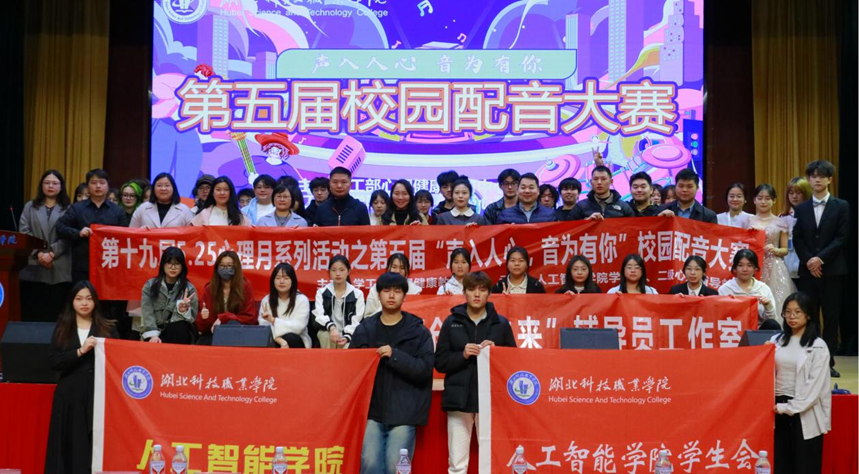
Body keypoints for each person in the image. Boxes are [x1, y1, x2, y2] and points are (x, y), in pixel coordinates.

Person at [350, 272, 434, 474]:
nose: (391, 295)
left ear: (404, 296)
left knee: (395, 468)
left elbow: (424, 369)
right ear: (378, 294)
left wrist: (394, 355)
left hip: (405, 413)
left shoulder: (418, 331)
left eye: (397, 291)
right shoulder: (364, 329)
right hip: (371, 412)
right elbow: (352, 369)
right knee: (369, 465)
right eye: (386, 290)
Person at [435, 271, 516, 474]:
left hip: (490, 400)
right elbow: (440, 362)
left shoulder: (501, 324)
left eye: (482, 289)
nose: (477, 294)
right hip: (458, 400)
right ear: (464, 292)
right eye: (471, 289)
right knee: (457, 464)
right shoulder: (451, 322)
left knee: (491, 462)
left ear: (489, 293)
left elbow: (514, 364)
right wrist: (462, 355)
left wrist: (496, 353)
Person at [44, 281, 118, 473]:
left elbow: (118, 361)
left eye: (88, 298)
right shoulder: (63, 328)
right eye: (79, 299)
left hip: (98, 396)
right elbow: (53, 361)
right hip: (69, 396)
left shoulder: (107, 328)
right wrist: (79, 351)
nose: (84, 303)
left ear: (95, 302)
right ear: (72, 302)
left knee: (92, 447)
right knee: (68, 446)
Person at [792, 160, 850, 377]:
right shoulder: (801, 208)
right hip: (808, 271)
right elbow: (798, 239)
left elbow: (842, 238)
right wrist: (810, 260)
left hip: (832, 270)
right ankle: (810, 359)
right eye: (813, 176)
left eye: (821, 176)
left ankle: (829, 361)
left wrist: (820, 259)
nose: (817, 179)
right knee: (810, 316)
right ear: (809, 179)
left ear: (829, 180)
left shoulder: (842, 205)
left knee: (831, 317)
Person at [771, 292, 831, 474]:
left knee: (804, 466)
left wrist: (787, 408)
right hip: (776, 409)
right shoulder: (776, 341)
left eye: (798, 312)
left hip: (804, 411)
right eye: (787, 312)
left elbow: (813, 389)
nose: (792, 317)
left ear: (808, 314)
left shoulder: (818, 346)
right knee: (780, 464)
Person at [56, 169, 129, 283]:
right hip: (82, 266)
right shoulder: (77, 208)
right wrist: (78, 233)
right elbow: (60, 227)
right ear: (88, 186)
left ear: (108, 186)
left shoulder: (118, 211)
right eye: (93, 183)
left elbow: (126, 237)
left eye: (102, 182)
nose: (98, 186)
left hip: (110, 266)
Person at [19, 170, 72, 322]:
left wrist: (52, 254)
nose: (50, 186)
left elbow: (69, 235)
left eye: (55, 183)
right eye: (47, 183)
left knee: (55, 313)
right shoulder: (30, 206)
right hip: (34, 264)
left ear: (61, 187)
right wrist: (39, 254)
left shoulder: (68, 208)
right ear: (41, 185)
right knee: (33, 313)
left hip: (59, 264)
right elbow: (24, 232)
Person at [749, 184, 796, 315]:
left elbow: (785, 250)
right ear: (754, 200)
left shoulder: (781, 222)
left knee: (777, 300)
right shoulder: (748, 221)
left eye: (767, 198)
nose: (763, 202)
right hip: (753, 266)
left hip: (775, 266)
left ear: (774, 200)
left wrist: (776, 250)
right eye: (760, 198)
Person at [196, 250, 257, 345]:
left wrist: (224, 317)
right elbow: (202, 327)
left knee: (232, 323)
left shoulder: (245, 286)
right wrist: (203, 317)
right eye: (222, 266)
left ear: (236, 267)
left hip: (239, 333)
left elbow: (250, 318)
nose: (225, 269)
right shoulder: (210, 289)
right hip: (214, 333)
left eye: (229, 266)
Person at [140, 247, 198, 344]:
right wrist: (153, 335)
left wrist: (181, 311)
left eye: (177, 264)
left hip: (178, 334)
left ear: (182, 266)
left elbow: (192, 318)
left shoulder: (189, 289)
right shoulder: (149, 286)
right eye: (169, 263)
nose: (173, 267)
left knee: (179, 327)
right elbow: (147, 313)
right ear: (163, 264)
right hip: (154, 331)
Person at [718, 249, 780, 329]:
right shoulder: (725, 290)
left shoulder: (764, 288)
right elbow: (720, 317)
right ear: (735, 268)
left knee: (772, 324)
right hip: (732, 330)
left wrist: (768, 306)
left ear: (755, 268)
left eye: (749, 265)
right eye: (740, 265)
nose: (745, 269)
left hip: (757, 331)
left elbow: (772, 319)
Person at [312, 255, 366, 348]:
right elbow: (318, 315)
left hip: (349, 334)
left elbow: (357, 320)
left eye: (342, 270)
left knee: (349, 344)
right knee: (325, 335)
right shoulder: (322, 292)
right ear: (329, 272)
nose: (337, 273)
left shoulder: (357, 294)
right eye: (333, 270)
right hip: (329, 331)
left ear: (348, 271)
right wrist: (332, 328)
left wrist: (347, 336)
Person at [258, 263, 311, 349]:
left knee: (290, 337)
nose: (282, 281)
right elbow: (264, 329)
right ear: (273, 281)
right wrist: (280, 340)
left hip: (297, 341)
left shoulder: (301, 300)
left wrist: (274, 321)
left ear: (292, 281)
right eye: (278, 278)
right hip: (274, 340)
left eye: (286, 278)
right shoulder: (266, 300)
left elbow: (298, 327)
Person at [130, 173, 194, 229]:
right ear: (153, 188)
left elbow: (191, 234)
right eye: (159, 185)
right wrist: (140, 231)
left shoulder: (184, 210)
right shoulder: (142, 208)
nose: (163, 189)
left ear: (173, 188)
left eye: (167, 185)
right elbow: (131, 232)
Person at [568, 166, 634, 220]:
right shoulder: (581, 207)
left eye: (603, 179)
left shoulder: (623, 207)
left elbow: (632, 228)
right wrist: (586, 223)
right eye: (595, 179)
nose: (599, 182)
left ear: (611, 182)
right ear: (591, 182)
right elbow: (570, 229)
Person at [780, 177, 813, 282]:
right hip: (787, 262)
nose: (794, 196)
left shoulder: (812, 215)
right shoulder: (782, 217)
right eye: (791, 193)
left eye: (798, 193)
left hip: (808, 263)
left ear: (806, 193)